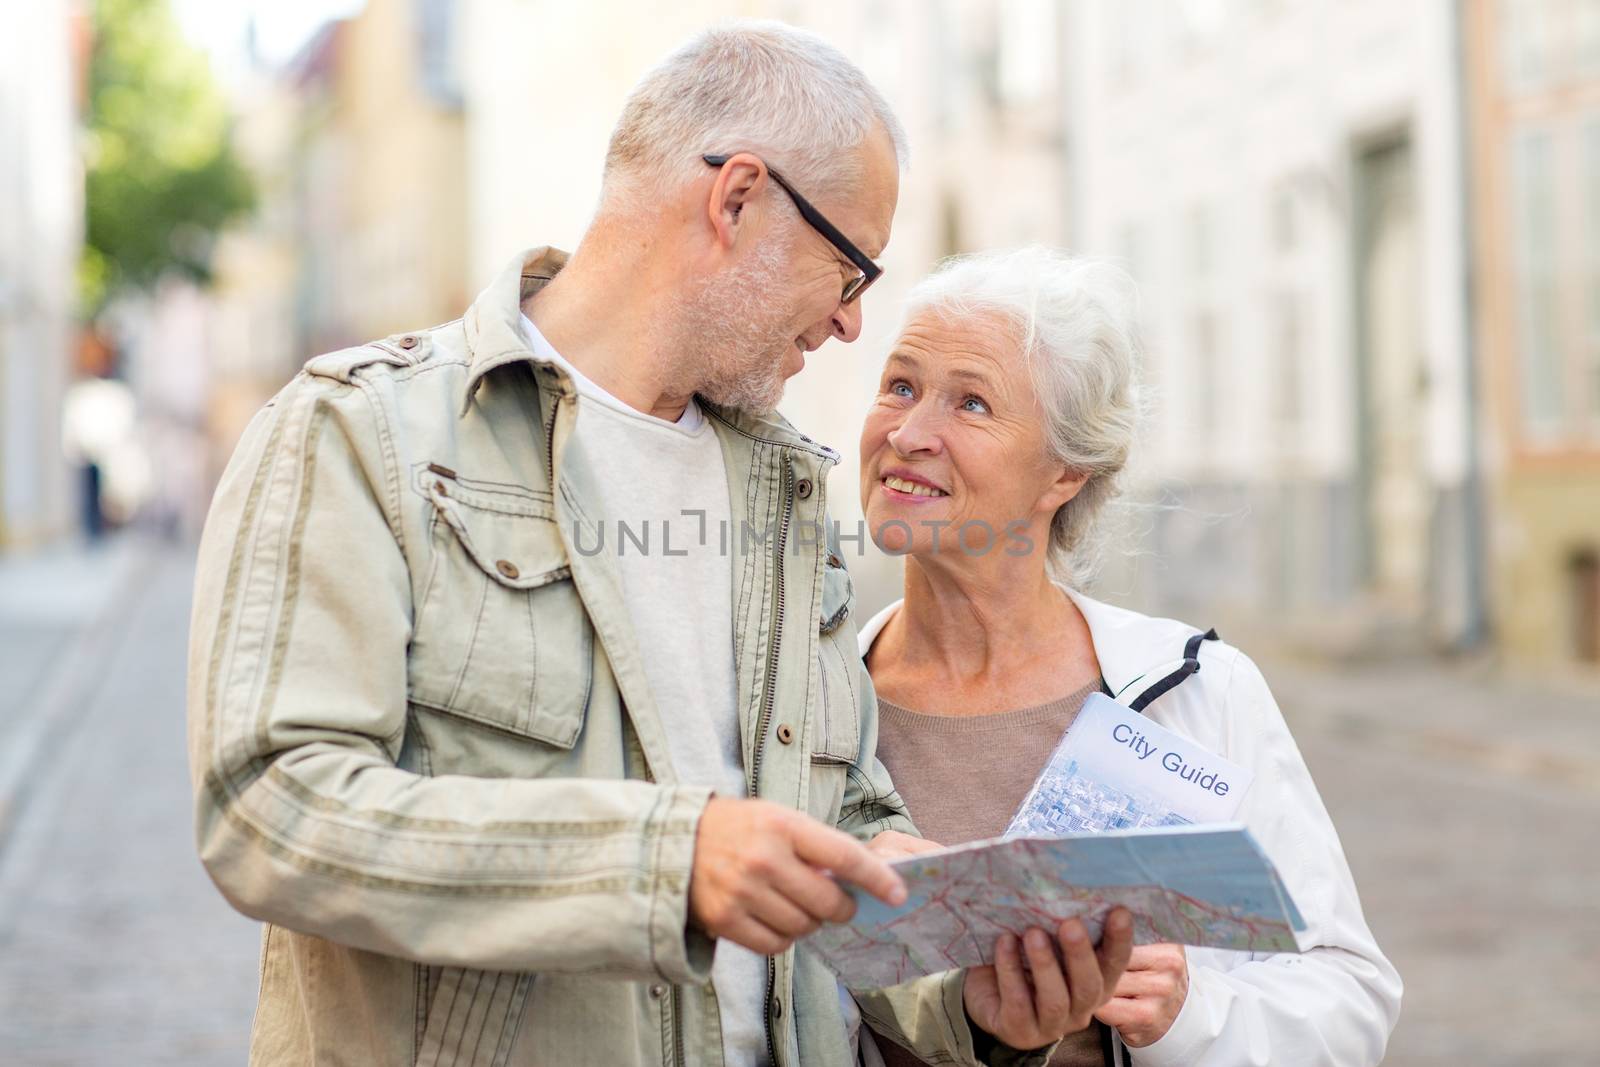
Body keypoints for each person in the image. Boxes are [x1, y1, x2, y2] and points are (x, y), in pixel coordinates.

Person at [186, 25, 1129, 1067]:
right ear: (735, 201)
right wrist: (664, 861)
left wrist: (976, 1002)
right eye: (851, 266)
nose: (851, 326)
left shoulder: (783, 490)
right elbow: (270, 805)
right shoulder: (361, 433)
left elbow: (844, 827)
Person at [850, 248, 1403, 1066]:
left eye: (970, 402)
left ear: (1064, 473)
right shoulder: (815, 701)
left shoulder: (1196, 690)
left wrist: (1186, 1014)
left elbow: (1350, 995)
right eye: (900, 385)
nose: (908, 432)